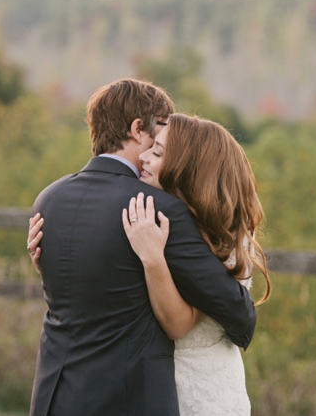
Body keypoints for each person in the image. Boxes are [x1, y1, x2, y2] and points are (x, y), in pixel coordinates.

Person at [25, 79, 256, 416]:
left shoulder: (49, 199)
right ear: (137, 129)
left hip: (57, 393)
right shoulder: (155, 208)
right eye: (159, 135)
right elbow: (237, 313)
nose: (153, 152)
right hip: (129, 396)